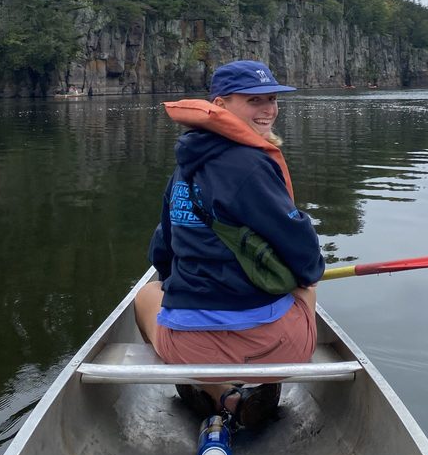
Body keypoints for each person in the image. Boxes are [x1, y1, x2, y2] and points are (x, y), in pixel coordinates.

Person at [134, 59, 324, 428]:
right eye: (254, 100)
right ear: (220, 105)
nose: (268, 109)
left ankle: (220, 391)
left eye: (272, 99)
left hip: (189, 349)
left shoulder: (182, 170)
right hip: (274, 350)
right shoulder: (252, 165)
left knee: (146, 295)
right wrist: (306, 276)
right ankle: (262, 388)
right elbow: (306, 257)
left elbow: (162, 254)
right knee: (308, 285)